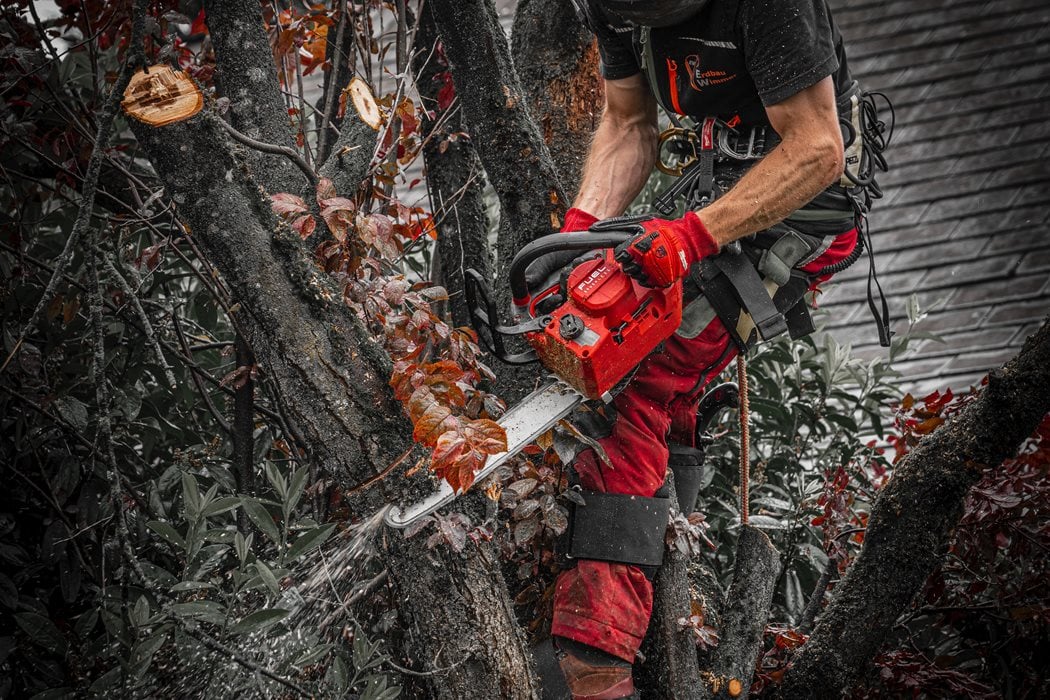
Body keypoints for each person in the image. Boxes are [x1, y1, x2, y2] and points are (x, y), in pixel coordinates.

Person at [545, 0, 889, 697]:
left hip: (805, 203)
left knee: (631, 378)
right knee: (625, 330)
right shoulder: (613, 5)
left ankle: (596, 659)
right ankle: (670, 541)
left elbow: (818, 148)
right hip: (718, 181)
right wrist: (579, 236)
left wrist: (691, 238)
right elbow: (628, 122)